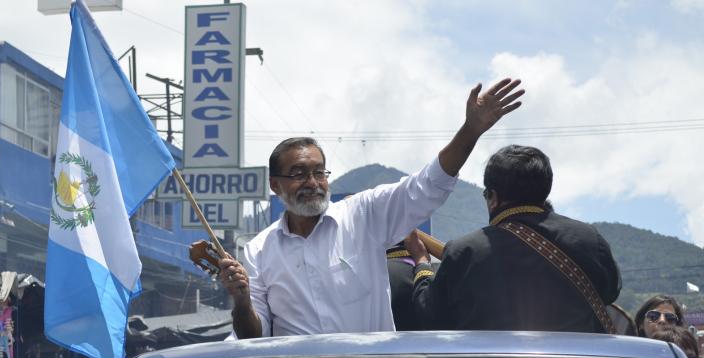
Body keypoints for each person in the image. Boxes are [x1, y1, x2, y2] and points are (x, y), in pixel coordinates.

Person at [217, 78, 525, 338]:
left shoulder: (364, 215)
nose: (312, 182)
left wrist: (470, 130)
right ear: (275, 185)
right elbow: (253, 338)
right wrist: (242, 301)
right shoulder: (259, 250)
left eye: (319, 172)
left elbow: (427, 185)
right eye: (299, 174)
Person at [406, 145, 621, 332]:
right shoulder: (590, 239)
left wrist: (422, 263)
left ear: (493, 197)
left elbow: (431, 316)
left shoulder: (465, 251)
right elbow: (610, 292)